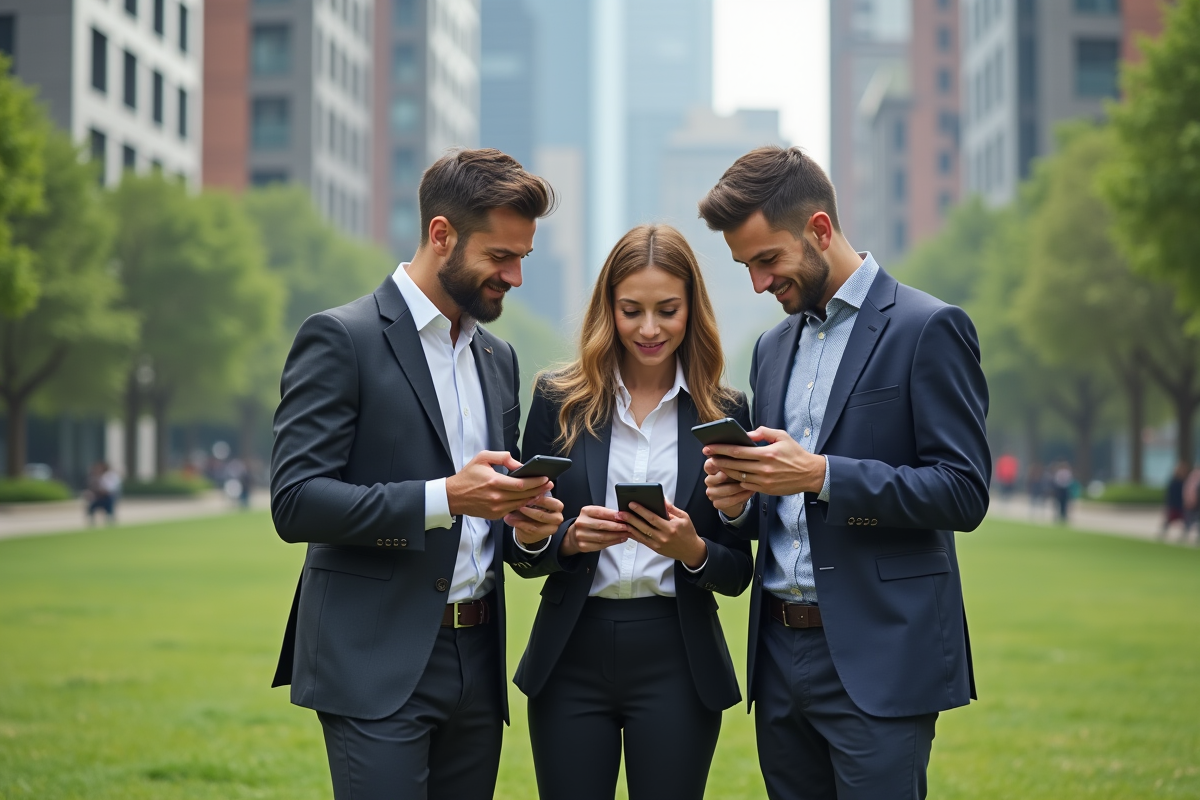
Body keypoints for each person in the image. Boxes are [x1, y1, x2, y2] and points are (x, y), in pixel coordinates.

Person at [269, 148, 565, 800]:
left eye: (523, 258)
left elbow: (496, 515)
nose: (515, 276)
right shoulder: (340, 338)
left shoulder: (498, 356)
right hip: (374, 659)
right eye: (500, 257)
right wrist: (446, 498)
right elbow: (295, 502)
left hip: (478, 658)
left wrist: (530, 527)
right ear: (441, 235)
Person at [697, 146, 990, 800]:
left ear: (820, 230)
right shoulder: (773, 348)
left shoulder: (927, 328)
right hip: (778, 659)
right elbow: (781, 503)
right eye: (745, 267)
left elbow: (964, 492)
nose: (758, 283)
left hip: (881, 657)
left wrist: (822, 475)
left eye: (767, 260)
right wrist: (740, 501)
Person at [510, 224, 754, 800]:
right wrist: (565, 540)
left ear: (692, 309)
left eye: (667, 310)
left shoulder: (726, 412)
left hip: (678, 655)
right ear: (608, 310)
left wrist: (690, 549)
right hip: (571, 651)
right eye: (631, 310)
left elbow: (740, 572)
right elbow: (517, 550)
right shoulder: (557, 400)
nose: (649, 329)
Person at [85, 461, 121, 526]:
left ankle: (110, 520)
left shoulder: (110, 475)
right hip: (99, 496)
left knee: (109, 506)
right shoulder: (96, 476)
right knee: (91, 506)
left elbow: (112, 488)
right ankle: (92, 522)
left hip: (108, 496)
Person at [1162, 461, 1188, 541]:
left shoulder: (1183, 481)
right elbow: (1170, 495)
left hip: (1180, 505)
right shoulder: (1174, 481)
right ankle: (1163, 533)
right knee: (1169, 520)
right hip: (1174, 505)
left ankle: (1184, 535)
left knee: (1186, 521)